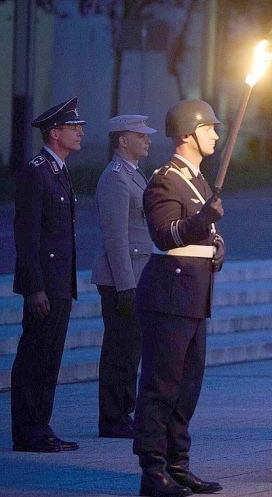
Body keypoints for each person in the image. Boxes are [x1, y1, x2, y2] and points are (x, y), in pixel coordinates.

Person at [132, 99, 225, 497]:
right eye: (209, 129)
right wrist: (204, 221)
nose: (216, 135)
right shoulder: (165, 180)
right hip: (170, 296)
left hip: (194, 296)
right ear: (187, 134)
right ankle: (153, 471)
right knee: (161, 387)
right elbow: (166, 234)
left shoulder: (198, 181)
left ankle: (177, 464)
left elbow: (202, 234)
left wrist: (217, 243)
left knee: (187, 388)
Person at [10, 97, 85, 453]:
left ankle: (41, 427)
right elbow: (27, 236)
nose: (80, 132)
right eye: (73, 127)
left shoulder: (58, 170)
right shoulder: (36, 171)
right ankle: (28, 431)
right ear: (55, 133)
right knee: (35, 358)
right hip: (45, 285)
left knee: (50, 359)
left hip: (59, 283)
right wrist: (34, 287)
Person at [91, 115, 157, 438]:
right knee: (120, 350)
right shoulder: (116, 178)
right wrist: (126, 286)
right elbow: (116, 237)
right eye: (140, 135)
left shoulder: (133, 173)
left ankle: (122, 413)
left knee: (131, 350)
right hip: (121, 279)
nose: (147, 140)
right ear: (122, 141)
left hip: (136, 276)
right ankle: (113, 417)